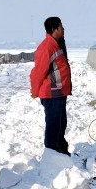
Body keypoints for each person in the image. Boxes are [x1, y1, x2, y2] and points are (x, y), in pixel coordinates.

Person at [30, 16, 72, 155]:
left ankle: (61, 153)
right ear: (54, 30)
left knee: (61, 125)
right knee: (54, 127)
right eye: (61, 26)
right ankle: (51, 156)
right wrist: (35, 91)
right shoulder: (46, 48)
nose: (63, 28)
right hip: (52, 94)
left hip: (59, 93)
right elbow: (38, 72)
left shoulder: (57, 44)